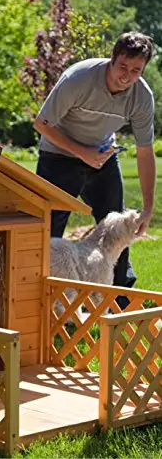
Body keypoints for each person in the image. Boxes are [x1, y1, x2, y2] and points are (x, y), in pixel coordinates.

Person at [33, 32, 157, 306]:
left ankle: (120, 303)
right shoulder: (79, 79)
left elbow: (145, 151)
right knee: (47, 232)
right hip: (58, 156)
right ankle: (44, 303)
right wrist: (81, 153)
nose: (127, 76)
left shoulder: (141, 97)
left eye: (136, 70)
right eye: (122, 67)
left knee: (119, 232)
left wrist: (147, 208)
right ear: (111, 59)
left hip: (102, 157)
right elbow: (41, 124)